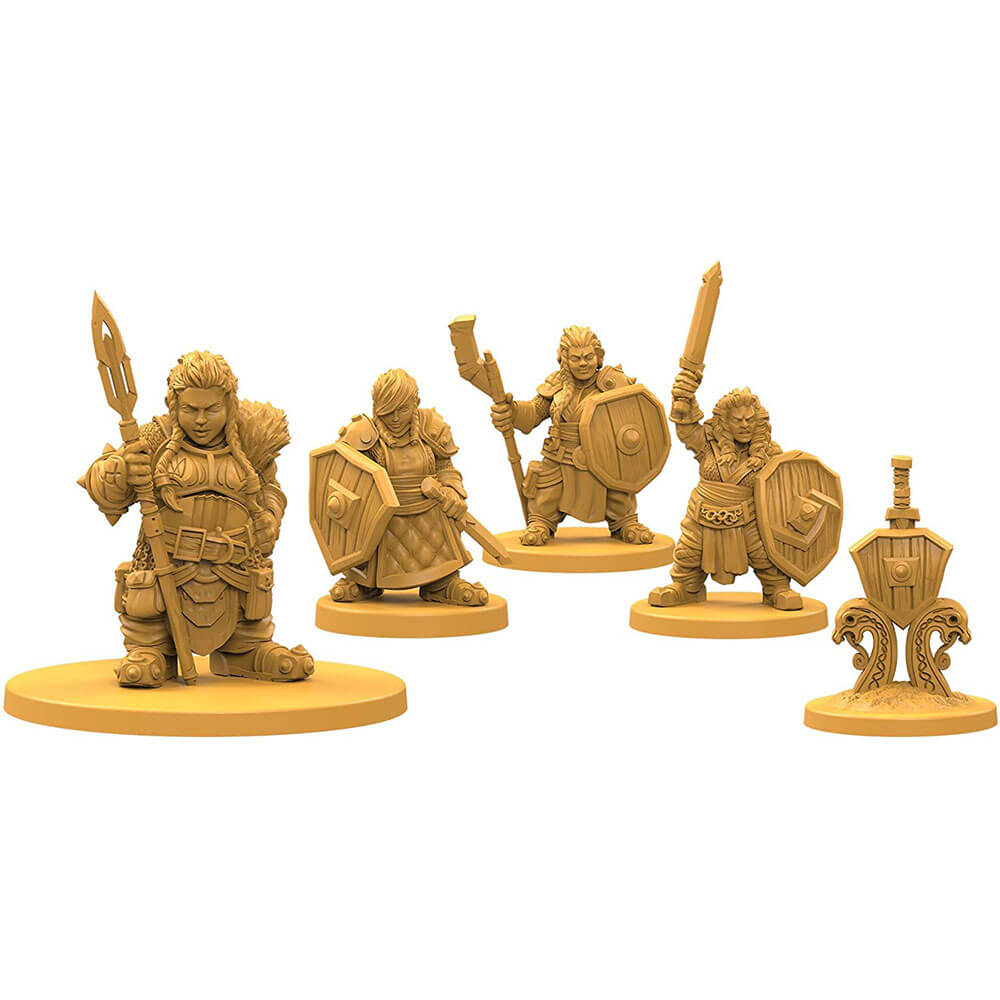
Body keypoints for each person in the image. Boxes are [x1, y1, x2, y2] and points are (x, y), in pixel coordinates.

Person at [80, 350, 314, 686]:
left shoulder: (250, 441)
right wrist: (120, 471)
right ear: (175, 405)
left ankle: (246, 650)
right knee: (152, 620)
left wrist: (270, 518)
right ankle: (153, 652)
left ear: (228, 405)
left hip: (235, 569)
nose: (201, 420)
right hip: (168, 567)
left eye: (211, 409)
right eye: (190, 409)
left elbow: (270, 490)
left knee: (248, 618)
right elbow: (104, 486)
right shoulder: (155, 439)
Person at [648, 367, 803, 610]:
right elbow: (686, 428)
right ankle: (685, 588)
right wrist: (684, 396)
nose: (745, 425)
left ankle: (776, 589)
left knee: (764, 555)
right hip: (702, 513)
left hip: (749, 517)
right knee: (689, 553)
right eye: (737, 420)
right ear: (725, 422)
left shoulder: (770, 453)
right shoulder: (707, 442)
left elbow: (783, 489)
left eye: (749, 419)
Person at [331, 368, 488, 606]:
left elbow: (446, 467)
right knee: (369, 559)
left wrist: (452, 490)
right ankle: (364, 582)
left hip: (429, 513)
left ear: (416, 403)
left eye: (402, 410)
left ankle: (441, 584)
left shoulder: (431, 428)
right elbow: (345, 478)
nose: (395, 418)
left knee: (438, 556)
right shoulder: (363, 435)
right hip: (382, 518)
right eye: (387, 412)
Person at [489, 326, 654, 546]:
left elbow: (636, 420)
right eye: (576, 358)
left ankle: (625, 522)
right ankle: (541, 522)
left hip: (604, 458)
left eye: (588, 357)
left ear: (598, 357)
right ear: (565, 360)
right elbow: (534, 413)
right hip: (561, 457)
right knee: (547, 494)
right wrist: (512, 411)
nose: (583, 363)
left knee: (617, 491)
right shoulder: (557, 384)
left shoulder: (614, 383)